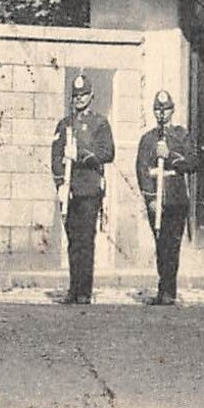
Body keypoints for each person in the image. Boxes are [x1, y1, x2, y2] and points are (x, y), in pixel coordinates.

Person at [50, 73, 115, 304]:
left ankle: (84, 291)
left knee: (86, 240)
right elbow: (56, 156)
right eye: (75, 95)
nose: (79, 99)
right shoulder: (65, 124)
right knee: (72, 239)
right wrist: (60, 183)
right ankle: (72, 287)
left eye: (83, 95)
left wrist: (81, 155)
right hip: (69, 190)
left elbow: (107, 153)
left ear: (91, 96)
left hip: (89, 189)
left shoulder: (99, 123)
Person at [135, 90, 196, 305]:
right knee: (161, 244)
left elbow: (192, 162)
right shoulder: (148, 139)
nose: (162, 114)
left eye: (166, 110)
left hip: (176, 198)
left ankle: (169, 290)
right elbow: (142, 169)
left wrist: (170, 155)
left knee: (172, 244)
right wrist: (150, 198)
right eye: (158, 110)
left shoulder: (181, 136)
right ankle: (163, 287)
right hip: (157, 200)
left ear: (172, 111)